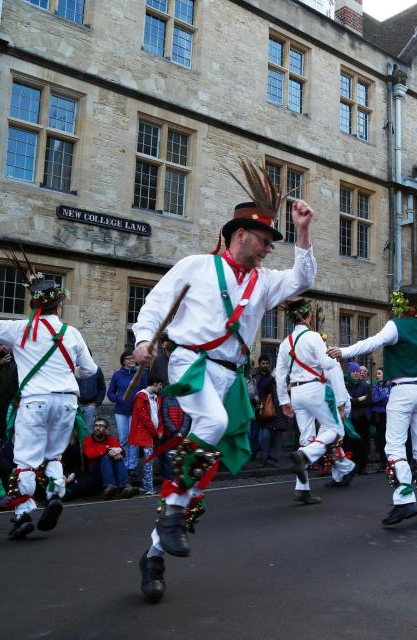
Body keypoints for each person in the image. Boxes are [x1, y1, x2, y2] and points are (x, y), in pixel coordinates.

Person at [131, 159, 316, 601]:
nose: (270, 248)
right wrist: (142, 339)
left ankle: (155, 552)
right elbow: (156, 306)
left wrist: (303, 232)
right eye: (266, 240)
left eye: (274, 241)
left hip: (230, 378)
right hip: (190, 365)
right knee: (211, 426)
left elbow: (304, 278)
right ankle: (172, 515)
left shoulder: (266, 282)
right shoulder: (195, 266)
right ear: (239, 235)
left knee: (205, 470)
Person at [0, 257, 98, 540]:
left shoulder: (21, 330)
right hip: (67, 401)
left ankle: (22, 513)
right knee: (54, 453)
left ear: (34, 305)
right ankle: (55, 495)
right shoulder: (72, 333)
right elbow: (90, 370)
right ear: (59, 304)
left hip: (36, 400)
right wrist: (72, 371)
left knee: (26, 459)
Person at [327, 276, 417, 526]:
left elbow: (372, 342)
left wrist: (344, 351)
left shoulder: (396, 326)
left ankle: (404, 500)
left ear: (400, 306)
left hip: (402, 391)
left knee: (394, 447)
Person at [277, 298, 354, 504]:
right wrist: (335, 357)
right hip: (314, 389)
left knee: (306, 436)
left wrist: (284, 400)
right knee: (335, 429)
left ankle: (302, 489)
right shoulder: (313, 337)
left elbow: (280, 375)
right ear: (309, 317)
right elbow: (326, 364)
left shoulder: (285, 343)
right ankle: (307, 456)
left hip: (296, 393)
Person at [106, 351, 146, 478]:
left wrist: (141, 401)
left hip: (136, 411)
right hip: (121, 411)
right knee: (123, 438)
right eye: (129, 359)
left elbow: (145, 391)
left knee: (133, 439)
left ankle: (132, 466)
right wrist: (117, 398)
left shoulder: (141, 374)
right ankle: (124, 463)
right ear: (123, 361)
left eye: (133, 359)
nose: (132, 361)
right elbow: (110, 392)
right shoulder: (117, 375)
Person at [81, 417, 138, 500]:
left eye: (101, 426)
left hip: (111, 470)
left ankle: (125, 487)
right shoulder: (88, 440)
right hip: (94, 471)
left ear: (106, 429)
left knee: (118, 457)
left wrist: (120, 450)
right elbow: (90, 455)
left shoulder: (111, 439)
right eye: (96, 426)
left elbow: (122, 453)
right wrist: (108, 450)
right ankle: (110, 486)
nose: (97, 428)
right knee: (106, 457)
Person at [130, 376, 164, 495]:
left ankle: (146, 486)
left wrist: (159, 431)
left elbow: (158, 416)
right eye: (160, 385)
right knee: (148, 461)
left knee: (148, 460)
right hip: (145, 433)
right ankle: (149, 488)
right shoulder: (141, 396)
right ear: (155, 383)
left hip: (151, 433)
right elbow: (143, 417)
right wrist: (156, 432)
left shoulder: (156, 398)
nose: (161, 388)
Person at [253, 356, 286, 468]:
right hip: (266, 410)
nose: (265, 365)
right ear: (259, 364)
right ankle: (263, 458)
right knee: (265, 436)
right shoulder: (258, 376)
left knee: (277, 437)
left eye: (267, 363)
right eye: (263, 363)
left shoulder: (278, 376)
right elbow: (261, 389)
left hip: (279, 409)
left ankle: (275, 459)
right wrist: (271, 378)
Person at [344, 362, 372, 475]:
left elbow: (369, 401)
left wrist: (355, 401)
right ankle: (352, 466)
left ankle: (362, 466)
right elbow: (346, 401)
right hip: (350, 418)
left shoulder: (365, 385)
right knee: (351, 443)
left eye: (357, 371)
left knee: (363, 443)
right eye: (353, 371)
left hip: (363, 418)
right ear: (349, 373)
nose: (355, 373)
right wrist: (359, 399)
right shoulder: (345, 385)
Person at [76, 353, 106, 434]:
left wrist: (96, 403)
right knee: (75, 431)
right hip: (76, 406)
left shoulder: (96, 370)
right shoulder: (73, 370)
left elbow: (102, 388)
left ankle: (87, 446)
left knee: (89, 431)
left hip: (90, 406)